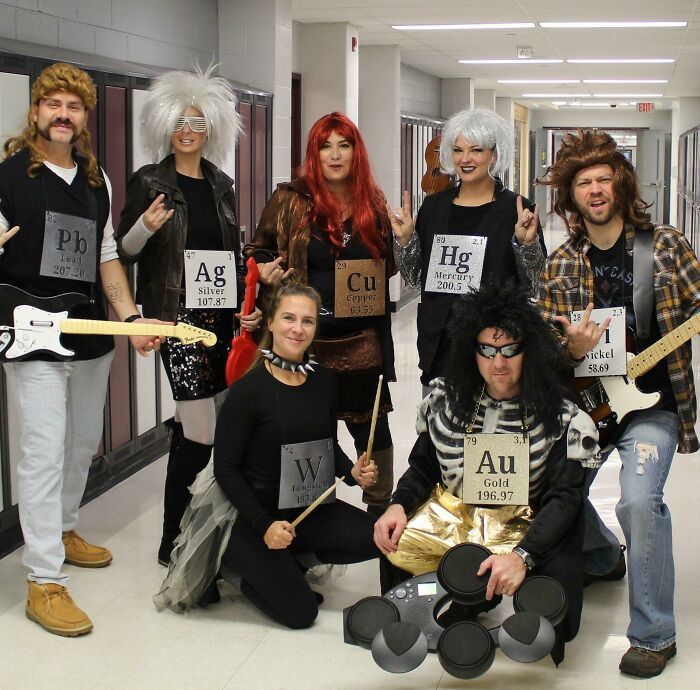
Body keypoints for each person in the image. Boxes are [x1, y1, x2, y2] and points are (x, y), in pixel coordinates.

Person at [0, 62, 165, 636]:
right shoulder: (7, 177)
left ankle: (63, 528)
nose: (63, 115)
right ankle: (43, 579)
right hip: (33, 335)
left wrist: (130, 317)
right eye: (54, 105)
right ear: (36, 111)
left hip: (89, 333)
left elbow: (105, 256)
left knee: (78, 445)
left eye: (74, 106)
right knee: (43, 453)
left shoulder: (97, 181)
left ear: (84, 118)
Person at [537, 129, 700, 678]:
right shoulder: (559, 264)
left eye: (604, 178)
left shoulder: (667, 245)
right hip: (587, 405)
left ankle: (655, 634)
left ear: (621, 184)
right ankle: (605, 556)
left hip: (652, 406)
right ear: (571, 196)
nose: (596, 189)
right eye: (584, 182)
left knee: (637, 500)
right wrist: (568, 348)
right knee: (549, 487)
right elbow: (541, 348)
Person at [374, 280, 601, 664]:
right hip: (461, 517)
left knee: (560, 620)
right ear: (471, 351)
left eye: (511, 350)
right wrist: (397, 505)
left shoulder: (563, 416)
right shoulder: (445, 402)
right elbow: (424, 466)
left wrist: (524, 557)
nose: (499, 362)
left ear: (529, 350)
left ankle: (493, 591)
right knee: (394, 541)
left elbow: (565, 499)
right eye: (487, 350)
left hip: (530, 525)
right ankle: (459, 599)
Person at [155, 278, 380, 627]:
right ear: (271, 322)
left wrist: (350, 472)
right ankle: (236, 570)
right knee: (302, 613)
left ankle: (293, 559)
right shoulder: (249, 390)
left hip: (305, 507)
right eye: (289, 318)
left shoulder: (323, 380)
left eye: (307, 321)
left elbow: (325, 443)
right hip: (249, 516)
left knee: (379, 537)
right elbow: (225, 469)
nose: (298, 329)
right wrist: (264, 525)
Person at [115, 67, 260, 566]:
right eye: (179, 121)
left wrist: (247, 300)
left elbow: (230, 253)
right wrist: (143, 227)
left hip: (220, 319)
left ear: (211, 129)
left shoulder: (222, 184)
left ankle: (209, 527)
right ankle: (172, 538)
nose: (187, 130)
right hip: (176, 320)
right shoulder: (149, 181)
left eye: (197, 122)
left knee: (216, 423)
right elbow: (123, 254)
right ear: (164, 126)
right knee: (200, 428)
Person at [245, 112, 395, 516]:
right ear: (313, 153)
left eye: (343, 145)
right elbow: (257, 249)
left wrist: (404, 238)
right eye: (325, 146)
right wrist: (264, 269)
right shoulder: (290, 199)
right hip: (305, 343)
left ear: (355, 152)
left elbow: (388, 270)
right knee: (308, 436)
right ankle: (304, 523)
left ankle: (381, 519)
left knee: (373, 436)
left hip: (362, 341)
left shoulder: (372, 201)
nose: (334, 154)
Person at [389, 107, 546, 392]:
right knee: (437, 431)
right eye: (458, 150)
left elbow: (532, 283)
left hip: (495, 349)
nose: (466, 159)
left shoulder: (517, 210)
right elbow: (415, 279)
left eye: (476, 150)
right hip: (440, 344)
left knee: (492, 434)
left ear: (493, 155)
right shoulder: (434, 207)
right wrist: (405, 241)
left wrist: (526, 244)